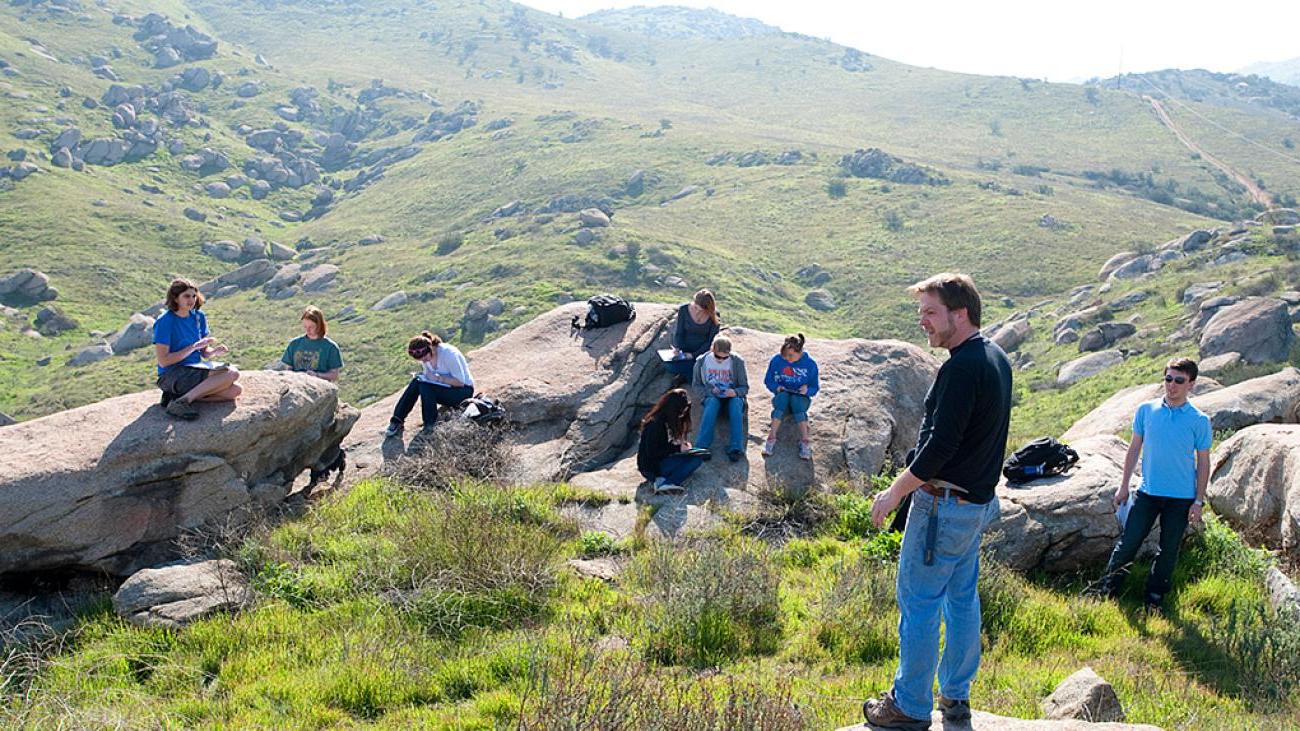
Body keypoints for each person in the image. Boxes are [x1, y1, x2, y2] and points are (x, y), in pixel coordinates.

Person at [864, 273, 1011, 730]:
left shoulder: (961, 367)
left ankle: (908, 706)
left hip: (942, 505)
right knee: (962, 600)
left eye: (930, 312)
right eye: (921, 312)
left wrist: (893, 493)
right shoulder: (995, 358)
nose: (922, 322)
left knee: (921, 604)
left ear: (959, 313)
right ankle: (955, 697)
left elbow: (940, 446)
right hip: (973, 505)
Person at [1096, 357, 1211, 612]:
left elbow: (1203, 463)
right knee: (1128, 543)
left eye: (1179, 380)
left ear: (1191, 384)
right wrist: (1123, 485)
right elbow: (1134, 448)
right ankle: (1107, 591)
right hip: (1147, 493)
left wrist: (1198, 501)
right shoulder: (1146, 410)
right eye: (1168, 378)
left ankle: (1154, 598)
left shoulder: (1199, 420)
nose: (1171, 385)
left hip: (1181, 498)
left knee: (1168, 552)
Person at [153, 278, 242, 420]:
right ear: (175, 298)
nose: (192, 300)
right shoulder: (165, 321)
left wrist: (213, 352)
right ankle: (182, 402)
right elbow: (164, 361)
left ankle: (177, 397)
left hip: (195, 369)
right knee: (232, 374)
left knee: (235, 391)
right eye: (186, 296)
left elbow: (204, 353)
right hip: (171, 375)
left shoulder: (199, 317)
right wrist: (192, 347)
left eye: (194, 296)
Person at [383, 331, 474, 438]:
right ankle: (397, 420)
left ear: (431, 349)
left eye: (425, 358)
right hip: (445, 389)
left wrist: (438, 379)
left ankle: (430, 424)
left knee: (425, 386)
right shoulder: (425, 356)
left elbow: (460, 382)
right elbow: (428, 374)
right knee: (417, 381)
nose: (424, 361)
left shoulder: (449, 354)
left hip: (463, 392)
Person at [761, 333, 819, 460]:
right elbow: (768, 380)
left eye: (791, 355)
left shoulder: (810, 364)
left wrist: (807, 390)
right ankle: (771, 438)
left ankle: (805, 441)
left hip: (800, 398)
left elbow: (815, 387)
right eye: (785, 355)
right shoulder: (777, 360)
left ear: (800, 351)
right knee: (782, 400)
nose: (787, 359)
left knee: (797, 402)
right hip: (783, 395)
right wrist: (777, 387)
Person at [692, 336, 749, 462]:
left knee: (735, 405)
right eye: (718, 357)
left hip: (732, 397)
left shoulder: (737, 361)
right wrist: (709, 391)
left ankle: (736, 448)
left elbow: (744, 387)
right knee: (712, 404)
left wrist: (735, 392)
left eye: (725, 357)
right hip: (712, 396)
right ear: (712, 350)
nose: (721, 360)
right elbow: (696, 386)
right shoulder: (701, 361)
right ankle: (701, 447)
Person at [637, 388, 702, 494]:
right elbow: (652, 452)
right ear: (673, 409)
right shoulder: (655, 424)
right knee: (695, 460)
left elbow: (664, 446)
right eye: (680, 412)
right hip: (651, 468)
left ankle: (662, 480)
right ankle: (667, 483)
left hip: (660, 461)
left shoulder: (664, 422)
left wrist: (682, 447)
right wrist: (677, 448)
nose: (681, 415)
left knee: (698, 454)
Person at [665, 289, 720, 380]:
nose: (697, 311)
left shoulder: (714, 315)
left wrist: (693, 355)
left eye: (700, 310)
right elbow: (679, 333)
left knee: (697, 368)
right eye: (695, 307)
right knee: (669, 366)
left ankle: (691, 373)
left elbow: (710, 341)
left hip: (702, 352)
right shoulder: (683, 309)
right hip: (684, 352)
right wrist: (678, 348)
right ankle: (692, 373)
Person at [281, 306, 342, 381]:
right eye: (305, 327)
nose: (308, 330)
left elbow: (334, 375)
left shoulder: (331, 347)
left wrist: (317, 375)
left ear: (319, 325)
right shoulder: (294, 344)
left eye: (311, 327)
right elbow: (288, 368)